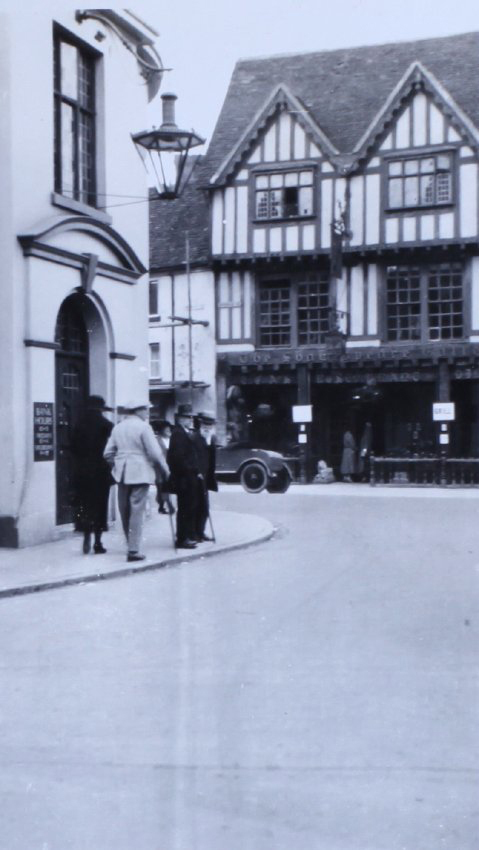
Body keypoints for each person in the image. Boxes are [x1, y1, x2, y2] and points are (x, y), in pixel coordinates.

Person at [103, 399, 169, 562]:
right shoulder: (144, 427)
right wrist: (164, 469)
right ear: (138, 411)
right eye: (146, 410)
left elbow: (108, 453)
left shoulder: (118, 427)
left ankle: (130, 544)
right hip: (140, 472)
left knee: (124, 509)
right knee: (137, 511)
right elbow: (155, 453)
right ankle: (133, 550)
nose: (147, 413)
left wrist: (118, 464)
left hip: (122, 473)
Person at [71, 395, 114, 555]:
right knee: (100, 505)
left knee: (84, 504)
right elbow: (113, 447)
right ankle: (98, 541)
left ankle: (86, 534)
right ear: (101, 408)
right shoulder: (106, 425)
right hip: (101, 471)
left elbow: (73, 448)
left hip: (82, 472)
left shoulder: (79, 424)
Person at [167, 402, 200, 549]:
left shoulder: (184, 432)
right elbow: (178, 458)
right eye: (187, 417)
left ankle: (187, 535)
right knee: (185, 508)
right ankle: (182, 538)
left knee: (189, 507)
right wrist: (191, 470)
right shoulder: (178, 433)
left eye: (190, 417)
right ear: (180, 418)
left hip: (188, 477)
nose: (190, 419)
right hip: (184, 478)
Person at [191, 411, 218, 542]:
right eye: (205, 425)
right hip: (197, 476)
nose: (207, 428)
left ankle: (200, 531)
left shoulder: (211, 439)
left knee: (204, 507)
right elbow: (192, 457)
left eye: (210, 425)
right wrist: (197, 471)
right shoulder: (194, 438)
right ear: (200, 425)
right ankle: (195, 533)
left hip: (206, 476)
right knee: (196, 505)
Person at [151, 420, 175, 514]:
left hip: (170, 466)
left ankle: (166, 504)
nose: (168, 430)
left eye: (169, 429)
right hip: (159, 467)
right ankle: (164, 505)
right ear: (161, 430)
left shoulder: (172, 439)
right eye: (166, 429)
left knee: (167, 486)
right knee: (160, 486)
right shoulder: (156, 440)